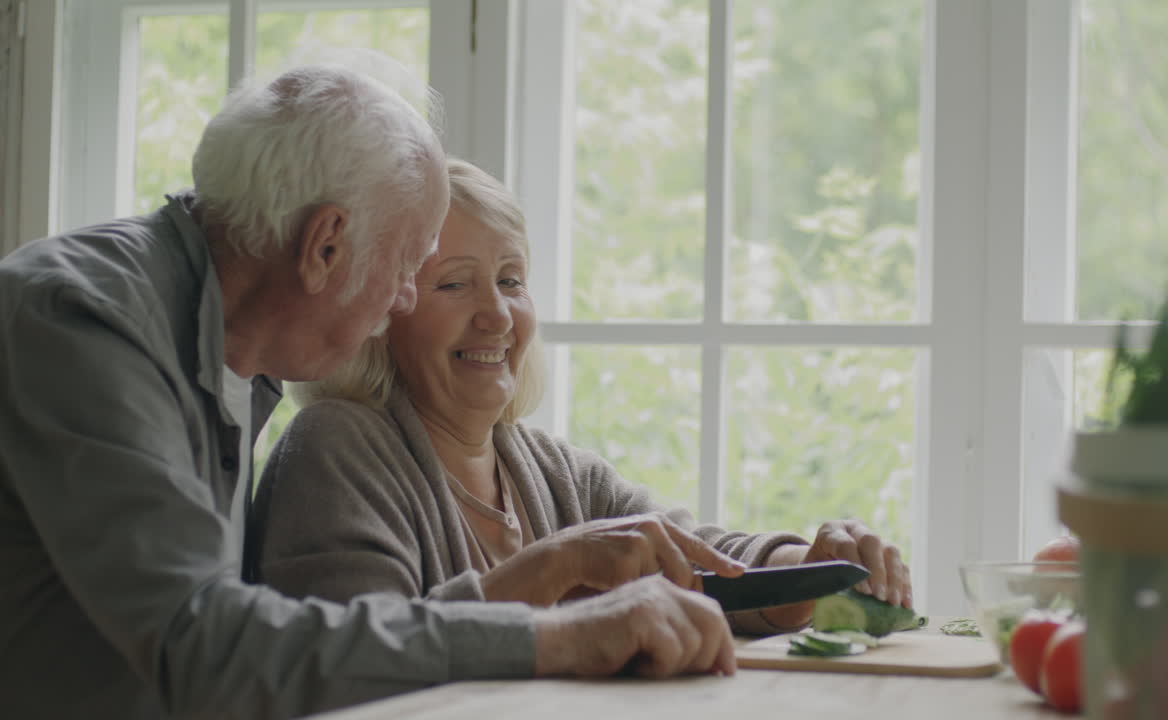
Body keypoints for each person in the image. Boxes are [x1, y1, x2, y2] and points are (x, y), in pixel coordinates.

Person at [0, 62, 742, 720]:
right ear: (325, 246)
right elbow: (206, 645)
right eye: (409, 266)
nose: (404, 301)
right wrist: (553, 634)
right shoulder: (86, 320)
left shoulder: (238, 349)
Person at [250, 158, 913, 634]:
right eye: (454, 285)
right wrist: (546, 574)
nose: (499, 316)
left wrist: (811, 564)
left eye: (511, 280)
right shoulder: (335, 445)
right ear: (384, 310)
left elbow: (698, 559)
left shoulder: (552, 470)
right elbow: (349, 663)